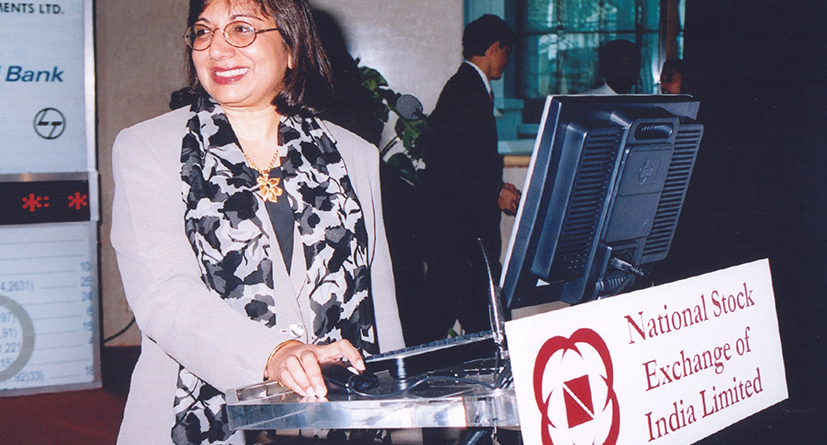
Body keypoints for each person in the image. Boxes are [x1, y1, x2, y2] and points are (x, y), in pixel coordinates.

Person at [110, 0, 404, 443]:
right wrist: (277, 354)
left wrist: (401, 418)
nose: (218, 49)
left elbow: (379, 308)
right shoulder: (148, 148)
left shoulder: (355, 155)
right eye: (204, 32)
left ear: (291, 48)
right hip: (197, 414)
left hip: (340, 415)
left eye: (242, 29)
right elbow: (163, 295)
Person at [415, 15, 521, 345]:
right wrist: (495, 192)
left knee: (466, 318)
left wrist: (496, 187)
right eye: (507, 50)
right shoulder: (468, 90)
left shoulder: (465, 86)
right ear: (494, 48)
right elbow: (459, 163)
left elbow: (464, 157)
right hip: (462, 235)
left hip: (457, 234)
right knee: (483, 321)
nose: (507, 58)